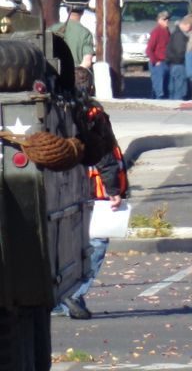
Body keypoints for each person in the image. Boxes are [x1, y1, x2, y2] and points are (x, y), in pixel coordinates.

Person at [53, 120, 128, 320]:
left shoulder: (65, 115)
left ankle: (62, 299)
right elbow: (103, 154)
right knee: (97, 242)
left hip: (69, 189)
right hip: (94, 192)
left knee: (67, 244)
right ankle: (73, 294)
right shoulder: (90, 115)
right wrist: (113, 189)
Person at [51, 3, 95, 71]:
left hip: (54, 74)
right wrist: (74, 72)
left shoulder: (53, 29)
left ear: (67, 10)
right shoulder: (86, 33)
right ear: (82, 12)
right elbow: (87, 62)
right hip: (74, 75)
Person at [165, 14, 192, 101]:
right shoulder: (179, 36)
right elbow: (180, 51)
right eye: (190, 27)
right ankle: (176, 103)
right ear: (187, 25)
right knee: (179, 89)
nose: (190, 29)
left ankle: (172, 103)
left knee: (173, 88)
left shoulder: (176, 33)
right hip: (179, 64)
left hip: (173, 64)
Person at [145, 10, 171, 99]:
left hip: (166, 62)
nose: (167, 21)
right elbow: (149, 49)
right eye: (164, 19)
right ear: (159, 20)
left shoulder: (167, 31)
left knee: (165, 88)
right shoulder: (156, 31)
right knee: (159, 91)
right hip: (158, 63)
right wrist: (155, 61)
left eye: (168, 19)